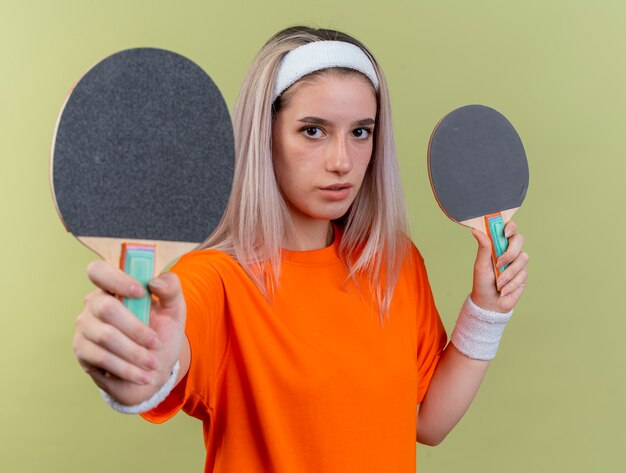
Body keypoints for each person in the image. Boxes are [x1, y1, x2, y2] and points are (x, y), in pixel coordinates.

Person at [73, 26, 528, 472]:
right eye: (313, 130)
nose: (341, 162)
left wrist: (487, 310)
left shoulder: (394, 263)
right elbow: (155, 367)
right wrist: (136, 369)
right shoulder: (213, 280)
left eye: (361, 132)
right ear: (265, 134)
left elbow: (429, 420)